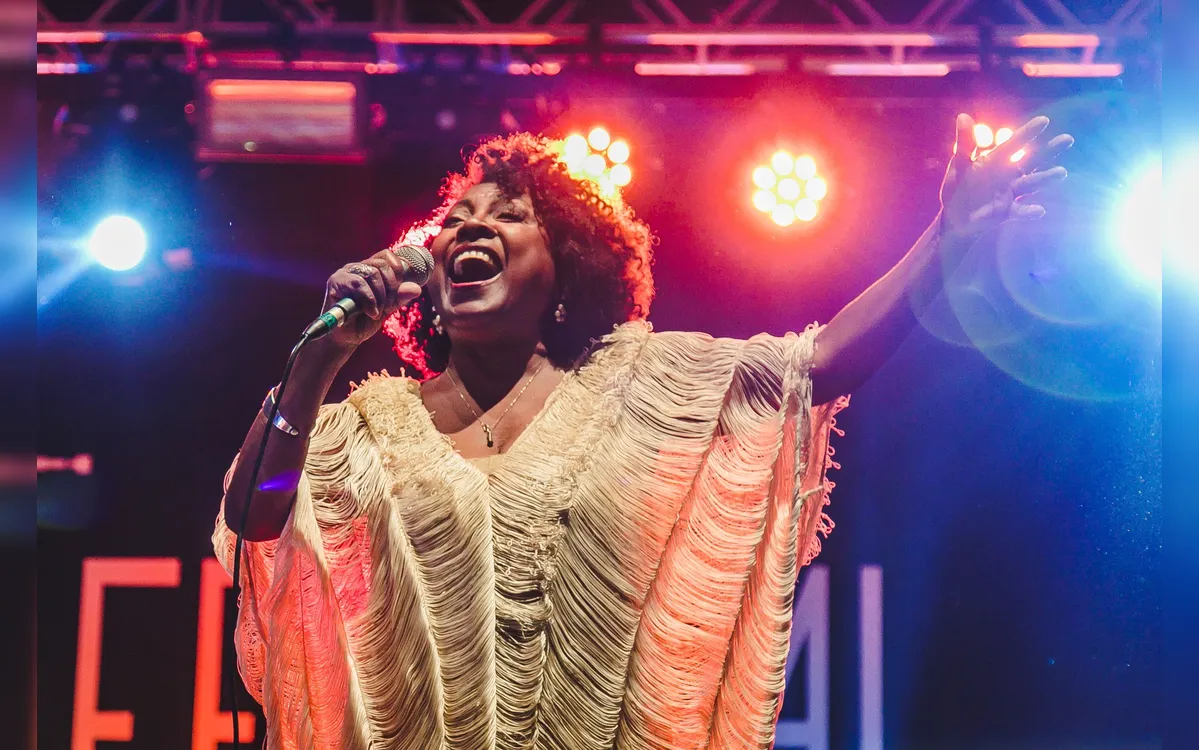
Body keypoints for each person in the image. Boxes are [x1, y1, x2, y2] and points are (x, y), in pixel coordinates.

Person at [214, 115, 1072, 749]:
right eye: (455, 221)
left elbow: (821, 363)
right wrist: (321, 357)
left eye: (508, 214)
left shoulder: (646, 382)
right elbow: (259, 518)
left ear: (565, 267)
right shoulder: (364, 425)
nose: (470, 227)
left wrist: (945, 241)